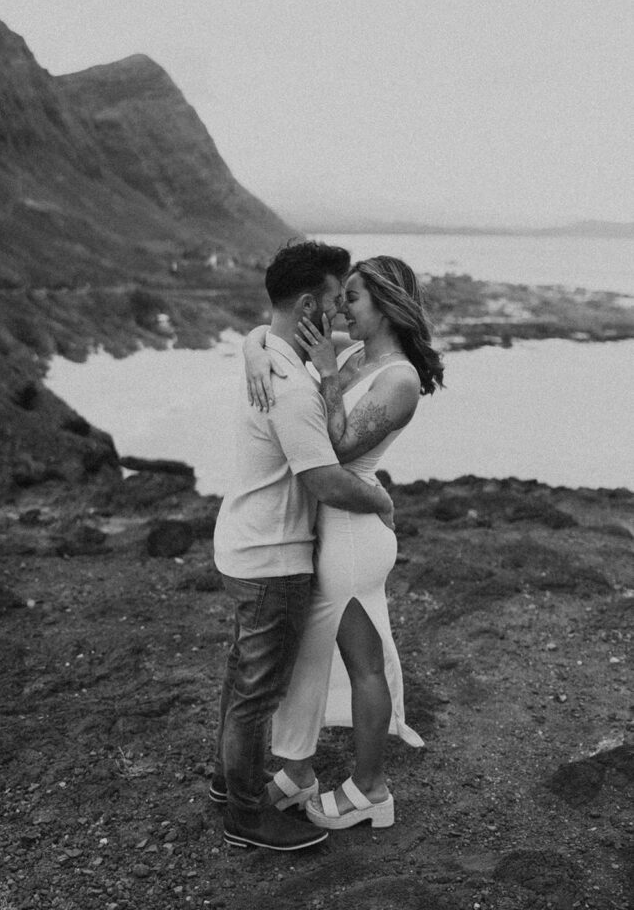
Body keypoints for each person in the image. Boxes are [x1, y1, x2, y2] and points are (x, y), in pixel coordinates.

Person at [243, 254, 444, 830]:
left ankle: (372, 790)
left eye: (352, 298)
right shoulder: (356, 355)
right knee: (311, 652)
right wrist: (255, 350)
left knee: (364, 663)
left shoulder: (399, 379)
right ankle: (298, 769)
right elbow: (275, 335)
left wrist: (328, 375)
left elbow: (339, 450)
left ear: (385, 305)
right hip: (331, 523)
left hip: (356, 534)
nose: (340, 308)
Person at [212, 241, 396, 852]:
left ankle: (233, 783)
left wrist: (253, 343)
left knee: (247, 677)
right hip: (274, 552)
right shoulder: (287, 382)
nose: (343, 311)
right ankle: (244, 812)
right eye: (338, 298)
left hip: (251, 540)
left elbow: (283, 338)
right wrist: (381, 501)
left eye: (354, 298)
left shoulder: (277, 359)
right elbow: (322, 478)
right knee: (257, 690)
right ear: (309, 303)